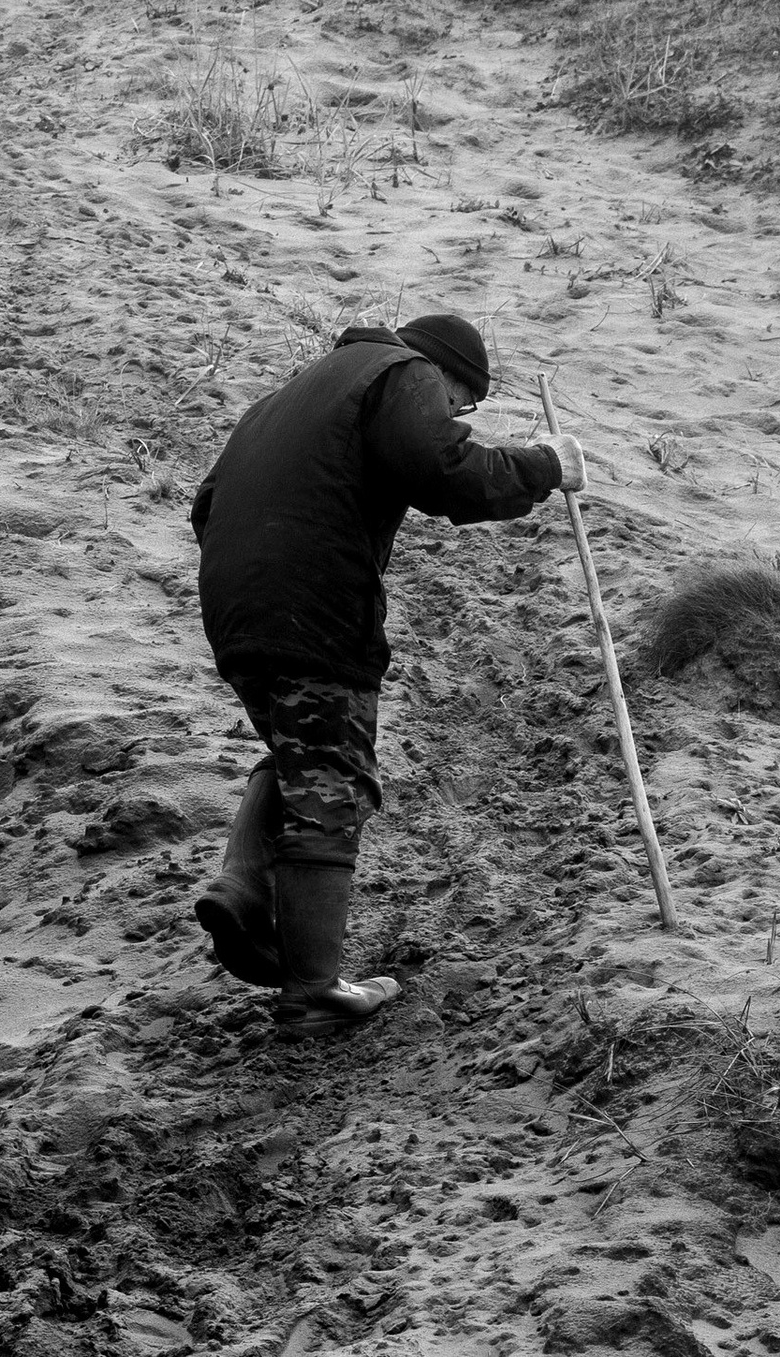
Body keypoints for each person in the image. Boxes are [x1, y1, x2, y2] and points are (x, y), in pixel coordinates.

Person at [187, 313, 584, 1040]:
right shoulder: (405, 374)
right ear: (450, 377)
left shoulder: (289, 395)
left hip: (236, 606)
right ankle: (311, 992)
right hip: (311, 605)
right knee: (332, 786)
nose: (456, 413)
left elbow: (206, 503)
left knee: (305, 754)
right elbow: (444, 469)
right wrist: (546, 465)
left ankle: (243, 886)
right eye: (463, 406)